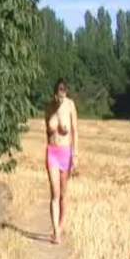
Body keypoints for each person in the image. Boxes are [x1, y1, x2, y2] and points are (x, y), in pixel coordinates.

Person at [44, 78, 78, 244]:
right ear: (55, 93)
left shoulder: (70, 105)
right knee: (54, 193)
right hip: (52, 152)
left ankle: (61, 225)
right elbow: (46, 131)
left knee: (63, 194)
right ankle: (56, 232)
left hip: (66, 153)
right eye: (59, 93)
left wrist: (75, 155)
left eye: (64, 93)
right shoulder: (48, 107)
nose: (61, 97)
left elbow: (75, 131)